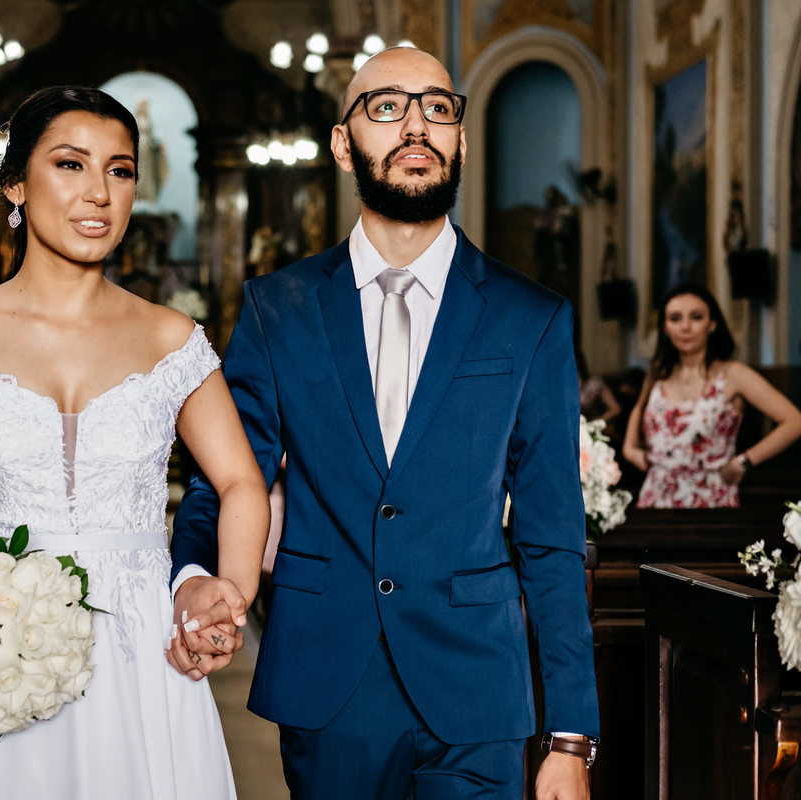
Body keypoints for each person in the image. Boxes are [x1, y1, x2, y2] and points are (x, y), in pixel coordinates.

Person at [170, 47, 599, 799]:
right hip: (328, 679)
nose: (416, 126)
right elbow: (226, 475)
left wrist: (570, 733)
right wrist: (194, 576)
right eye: (386, 107)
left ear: (459, 139)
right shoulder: (280, 308)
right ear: (344, 144)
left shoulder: (532, 317)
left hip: (477, 689)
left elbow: (553, 534)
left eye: (437, 107)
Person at [0, 86, 269, 799]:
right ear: (16, 185)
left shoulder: (171, 339)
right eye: (70, 165)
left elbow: (241, 481)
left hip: (144, 649)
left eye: (120, 171)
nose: (99, 193)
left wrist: (230, 589)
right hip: (6, 645)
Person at [622, 282, 801, 508]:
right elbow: (639, 409)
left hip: (711, 498)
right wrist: (630, 450)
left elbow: (795, 421)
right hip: (656, 496)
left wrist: (745, 461)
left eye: (696, 317)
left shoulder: (733, 374)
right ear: (665, 327)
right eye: (675, 318)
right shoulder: (658, 372)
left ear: (712, 324)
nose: (685, 327)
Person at [577, 347, 621, 426]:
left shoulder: (594, 384)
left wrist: (596, 423)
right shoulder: (559, 386)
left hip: (589, 428)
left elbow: (615, 409)